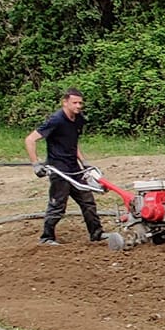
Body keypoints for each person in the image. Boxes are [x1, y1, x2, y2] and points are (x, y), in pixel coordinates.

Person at [25, 87, 104, 246]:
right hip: (59, 170)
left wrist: (84, 161)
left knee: (88, 202)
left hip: (74, 169)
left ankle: (97, 234)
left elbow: (72, 143)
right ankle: (47, 238)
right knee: (58, 205)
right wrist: (36, 164)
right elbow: (30, 139)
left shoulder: (78, 119)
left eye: (80, 103)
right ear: (65, 102)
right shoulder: (56, 120)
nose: (78, 106)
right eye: (75, 103)